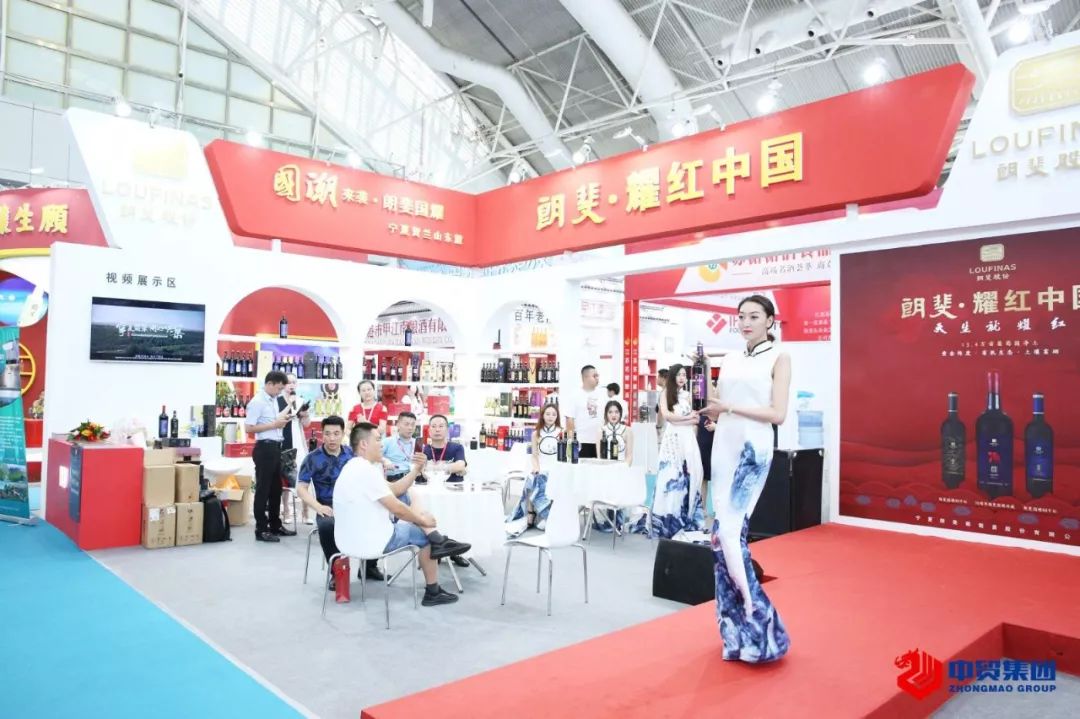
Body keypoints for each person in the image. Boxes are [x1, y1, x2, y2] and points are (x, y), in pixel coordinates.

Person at [705, 294, 791, 663]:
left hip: (754, 448)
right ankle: (735, 631)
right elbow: (718, 406)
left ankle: (761, 620)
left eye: (754, 316)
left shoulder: (780, 357)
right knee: (719, 537)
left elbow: (778, 413)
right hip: (723, 444)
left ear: (770, 321)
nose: (745, 323)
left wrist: (730, 408)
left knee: (729, 532)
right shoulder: (729, 358)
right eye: (741, 317)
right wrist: (709, 408)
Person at [333, 422, 470, 607]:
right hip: (373, 539)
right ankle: (433, 589)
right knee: (423, 536)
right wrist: (422, 520)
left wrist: (416, 470)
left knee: (409, 493)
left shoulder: (354, 466)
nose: (382, 444)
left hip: (346, 540)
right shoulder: (366, 471)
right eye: (378, 439)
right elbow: (396, 508)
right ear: (364, 444)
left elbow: (396, 489)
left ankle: (437, 538)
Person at [296, 416, 383, 585]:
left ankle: (370, 566)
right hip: (327, 506)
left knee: (379, 516)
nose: (332, 438)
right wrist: (318, 507)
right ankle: (337, 572)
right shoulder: (312, 458)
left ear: (343, 434)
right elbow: (301, 489)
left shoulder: (353, 454)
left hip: (355, 503)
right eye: (327, 434)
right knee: (327, 525)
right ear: (322, 434)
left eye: (336, 433)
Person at [637, 364, 704, 538]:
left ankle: (686, 517)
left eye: (684, 375)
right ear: (673, 376)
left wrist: (683, 420)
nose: (682, 378)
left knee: (690, 474)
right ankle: (666, 518)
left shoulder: (688, 395)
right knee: (670, 475)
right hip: (672, 439)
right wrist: (686, 419)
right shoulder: (665, 393)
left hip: (688, 438)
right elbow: (667, 416)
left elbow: (695, 418)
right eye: (679, 374)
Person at [244, 371, 296, 542]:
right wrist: (274, 424)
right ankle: (261, 529)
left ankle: (275, 525)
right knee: (263, 490)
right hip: (264, 449)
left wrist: (282, 419)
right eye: (279, 388)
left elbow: (272, 422)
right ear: (270, 384)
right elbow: (249, 428)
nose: (280, 392)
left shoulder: (272, 400)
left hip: (275, 448)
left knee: (276, 489)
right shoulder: (257, 402)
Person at [506, 403, 561, 538]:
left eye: (554, 414)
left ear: (557, 417)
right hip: (541, 465)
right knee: (533, 478)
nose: (551, 417)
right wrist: (536, 468)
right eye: (548, 414)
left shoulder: (561, 432)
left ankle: (549, 516)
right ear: (542, 415)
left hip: (557, 467)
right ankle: (531, 514)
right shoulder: (536, 433)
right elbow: (534, 455)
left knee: (548, 479)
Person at [592, 401, 636, 533]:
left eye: (616, 412)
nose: (613, 415)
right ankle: (607, 520)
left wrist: (624, 468)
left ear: (620, 414)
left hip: (621, 470)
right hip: (605, 470)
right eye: (610, 412)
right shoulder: (601, 431)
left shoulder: (627, 430)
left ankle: (618, 521)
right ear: (606, 414)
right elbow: (599, 456)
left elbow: (629, 455)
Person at [279, 373, 312, 526]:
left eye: (294, 382)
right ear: (283, 384)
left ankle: (305, 513)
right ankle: (286, 511)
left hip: (298, 440)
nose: (291, 385)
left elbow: (306, 424)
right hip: (283, 440)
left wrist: (305, 415)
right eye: (288, 382)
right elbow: (276, 420)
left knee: (303, 476)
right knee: (285, 478)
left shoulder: (300, 401)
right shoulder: (278, 401)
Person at [565, 364, 606, 458]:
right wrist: (572, 442)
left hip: (600, 441)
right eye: (594, 376)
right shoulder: (574, 396)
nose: (597, 378)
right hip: (581, 442)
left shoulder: (603, 395)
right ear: (585, 377)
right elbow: (569, 421)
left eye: (598, 375)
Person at [421, 415, 467, 482]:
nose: (437, 430)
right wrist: (451, 468)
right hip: (430, 486)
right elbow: (419, 469)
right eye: (433, 426)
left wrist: (431, 467)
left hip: (452, 487)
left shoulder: (457, 447)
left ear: (447, 430)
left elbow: (460, 465)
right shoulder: (423, 449)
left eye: (441, 426)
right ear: (429, 431)